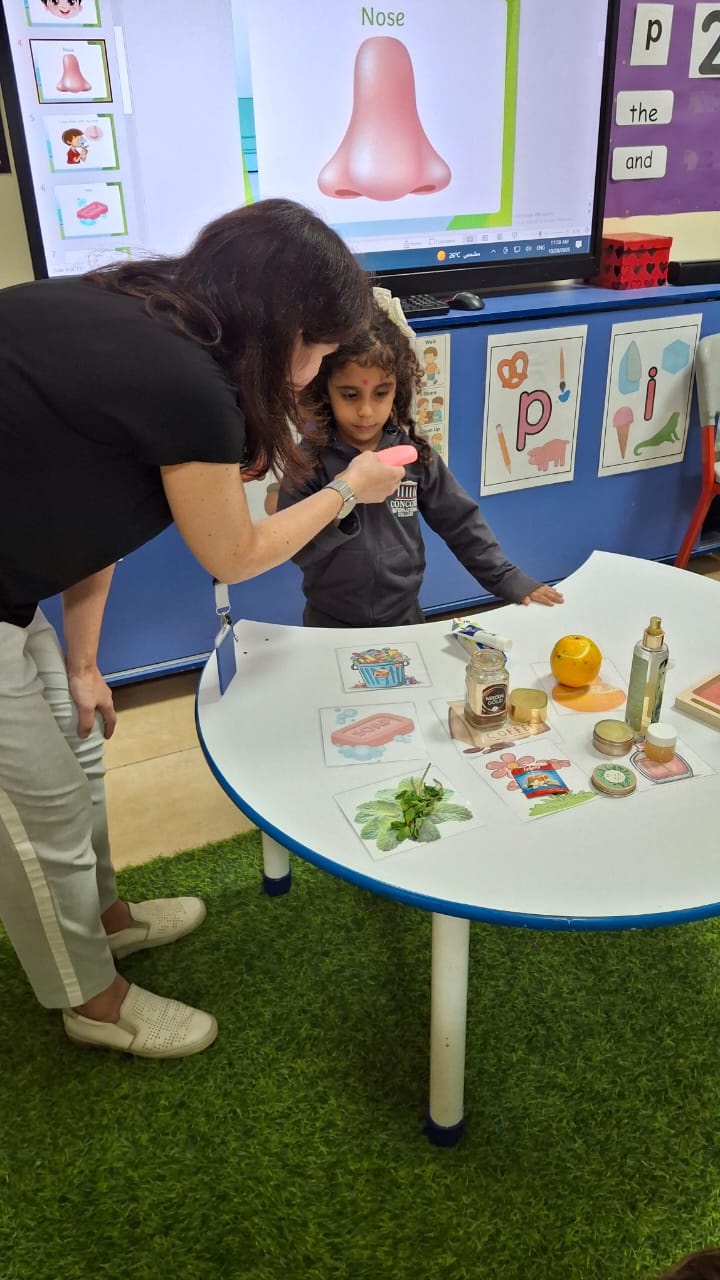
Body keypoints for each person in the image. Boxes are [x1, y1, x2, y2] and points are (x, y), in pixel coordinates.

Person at [0, 199, 405, 1058]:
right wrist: (347, 490)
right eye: (320, 350)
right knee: (37, 813)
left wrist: (83, 660)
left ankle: (105, 919)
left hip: (14, 574)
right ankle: (91, 1001)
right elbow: (233, 554)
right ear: (281, 327)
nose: (317, 371)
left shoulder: (148, 311)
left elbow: (89, 511)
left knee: (77, 743)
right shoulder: (192, 387)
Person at [276, 299, 563, 628]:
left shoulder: (414, 456)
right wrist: (341, 498)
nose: (366, 411)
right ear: (326, 389)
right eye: (350, 395)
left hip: (404, 618)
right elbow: (294, 547)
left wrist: (507, 578)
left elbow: (460, 522)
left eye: (381, 393)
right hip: (328, 623)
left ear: (397, 389)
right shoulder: (308, 460)